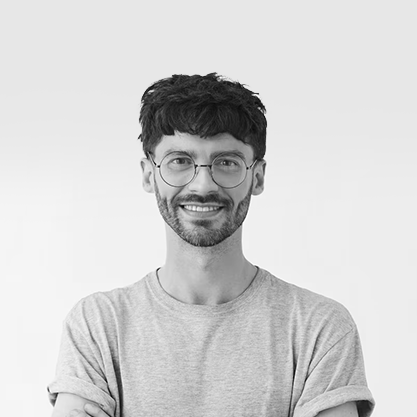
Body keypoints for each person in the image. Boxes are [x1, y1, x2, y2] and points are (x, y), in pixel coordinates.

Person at [48, 73, 375, 417]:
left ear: (257, 176)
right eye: (180, 161)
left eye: (227, 163)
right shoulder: (97, 325)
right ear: (148, 174)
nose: (203, 185)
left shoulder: (320, 328)